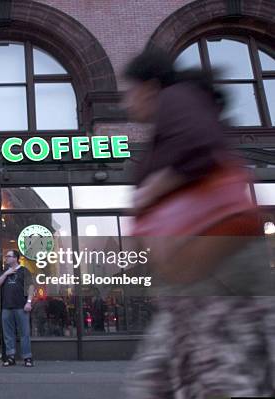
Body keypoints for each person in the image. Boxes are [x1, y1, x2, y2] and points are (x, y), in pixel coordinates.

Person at [123, 47, 275, 398]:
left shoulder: (177, 98)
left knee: (217, 380)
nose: (127, 104)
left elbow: (199, 145)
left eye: (129, 92)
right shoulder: (170, 118)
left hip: (212, 266)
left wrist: (149, 193)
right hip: (190, 281)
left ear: (148, 87)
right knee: (153, 380)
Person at [0, 250, 35, 367]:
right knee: (8, 334)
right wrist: (6, 274)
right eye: (6, 256)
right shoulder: (5, 272)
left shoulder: (24, 271)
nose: (6, 258)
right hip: (7, 307)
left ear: (16, 258)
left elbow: (31, 287)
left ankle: (27, 357)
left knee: (24, 333)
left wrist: (29, 302)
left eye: (9, 256)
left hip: (21, 306)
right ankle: (10, 357)